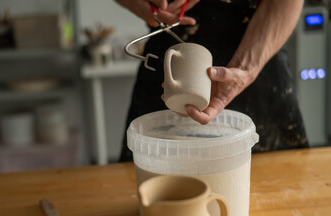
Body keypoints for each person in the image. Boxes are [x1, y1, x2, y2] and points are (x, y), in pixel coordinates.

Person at [116, 0, 309, 162]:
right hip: (169, 59)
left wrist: (247, 67)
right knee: (154, 170)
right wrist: (142, 5)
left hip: (259, 50)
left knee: (277, 178)